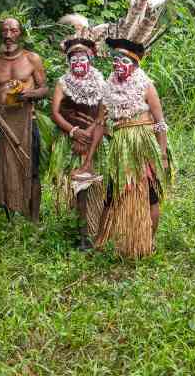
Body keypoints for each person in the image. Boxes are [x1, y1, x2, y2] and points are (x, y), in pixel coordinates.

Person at [95, 0, 173, 259]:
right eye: (116, 59)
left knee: (149, 193)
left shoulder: (146, 84)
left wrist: (162, 154)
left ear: (135, 63)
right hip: (120, 145)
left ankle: (147, 241)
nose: (119, 65)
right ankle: (103, 240)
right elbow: (101, 120)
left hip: (144, 144)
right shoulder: (109, 85)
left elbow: (160, 122)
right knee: (115, 192)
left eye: (125, 61)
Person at [49, 14, 108, 249]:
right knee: (78, 187)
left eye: (82, 58)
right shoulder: (63, 83)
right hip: (71, 139)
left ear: (90, 59)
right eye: (73, 59)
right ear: (68, 61)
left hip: (96, 139)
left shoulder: (101, 82)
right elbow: (55, 113)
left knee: (96, 185)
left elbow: (103, 113)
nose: (78, 63)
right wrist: (73, 132)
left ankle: (96, 229)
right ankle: (81, 231)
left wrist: (90, 131)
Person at [0, 17, 48, 221]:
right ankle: (9, 216)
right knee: (3, 168)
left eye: (13, 30)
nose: (8, 35)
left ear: (20, 33)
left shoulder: (32, 59)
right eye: (4, 31)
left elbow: (44, 89)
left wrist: (27, 94)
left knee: (30, 167)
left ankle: (34, 217)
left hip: (26, 120)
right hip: (1, 122)